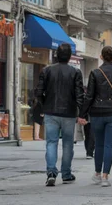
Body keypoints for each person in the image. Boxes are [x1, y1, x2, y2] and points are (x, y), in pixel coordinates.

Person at [78, 46, 112, 187]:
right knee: (109, 146)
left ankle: (97, 174)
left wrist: (82, 114)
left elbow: (90, 96)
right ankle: (106, 176)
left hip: (97, 113)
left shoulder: (95, 73)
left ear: (101, 57)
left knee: (98, 144)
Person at [35, 43, 84, 187]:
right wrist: (81, 112)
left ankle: (51, 172)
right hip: (69, 112)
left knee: (51, 142)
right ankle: (66, 174)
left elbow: (39, 92)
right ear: (69, 57)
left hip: (51, 111)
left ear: (56, 55)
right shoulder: (75, 72)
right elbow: (79, 94)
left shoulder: (47, 70)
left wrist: (44, 105)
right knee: (68, 144)